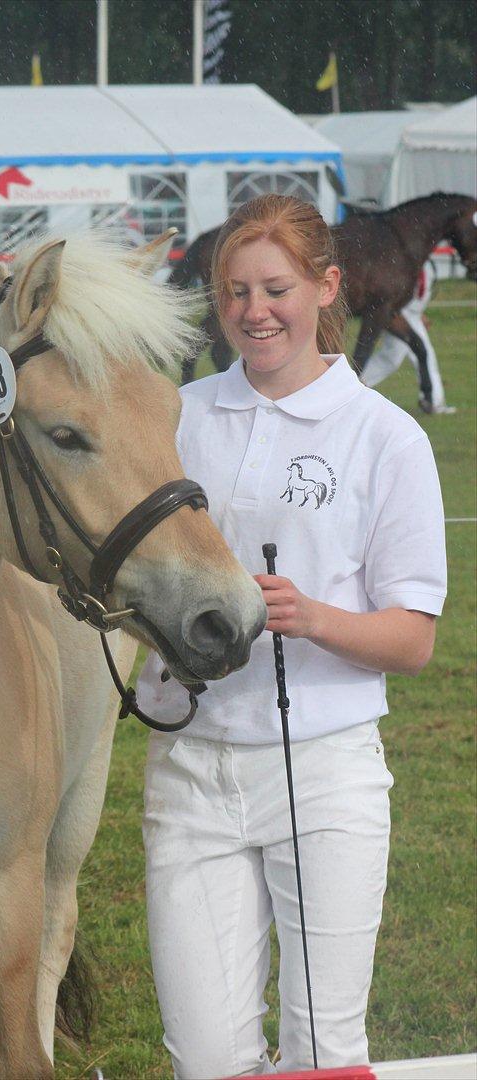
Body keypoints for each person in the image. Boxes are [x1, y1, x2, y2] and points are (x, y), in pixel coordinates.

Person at [137, 194, 447, 1077]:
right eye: (233, 291)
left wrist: (310, 617)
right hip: (190, 774)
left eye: (274, 287)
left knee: (322, 1054)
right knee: (204, 1058)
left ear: (326, 286)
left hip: (324, 774)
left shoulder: (384, 437)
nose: (252, 311)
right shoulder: (176, 416)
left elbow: (413, 640)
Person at [361, 259, 456, 415]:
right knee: (423, 354)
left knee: (390, 358)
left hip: (409, 314)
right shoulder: (412, 257)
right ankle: (434, 400)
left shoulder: (420, 257)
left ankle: (357, 384)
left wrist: (418, 313)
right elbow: (403, 290)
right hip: (404, 315)